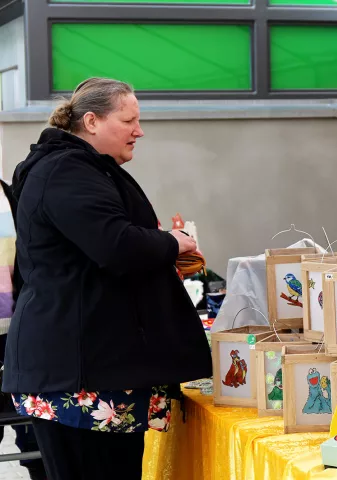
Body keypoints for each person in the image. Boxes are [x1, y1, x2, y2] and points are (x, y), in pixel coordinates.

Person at [0, 77, 212, 479]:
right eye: (129, 120)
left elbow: (102, 248)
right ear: (92, 121)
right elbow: (115, 244)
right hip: (77, 378)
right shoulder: (66, 170)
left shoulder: (81, 168)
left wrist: (164, 251)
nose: (139, 130)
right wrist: (172, 243)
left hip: (90, 368)